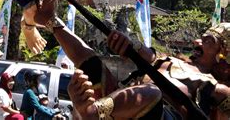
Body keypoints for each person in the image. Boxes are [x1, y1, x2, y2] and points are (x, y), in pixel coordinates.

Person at [55, 20, 230, 119]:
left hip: (160, 116)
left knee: (151, 93)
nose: (197, 42)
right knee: (91, 63)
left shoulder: (217, 88)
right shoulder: (166, 60)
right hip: (123, 107)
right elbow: (141, 51)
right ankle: (50, 21)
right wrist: (126, 43)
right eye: (202, 38)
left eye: (208, 41)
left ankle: (92, 112)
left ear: (224, 58)